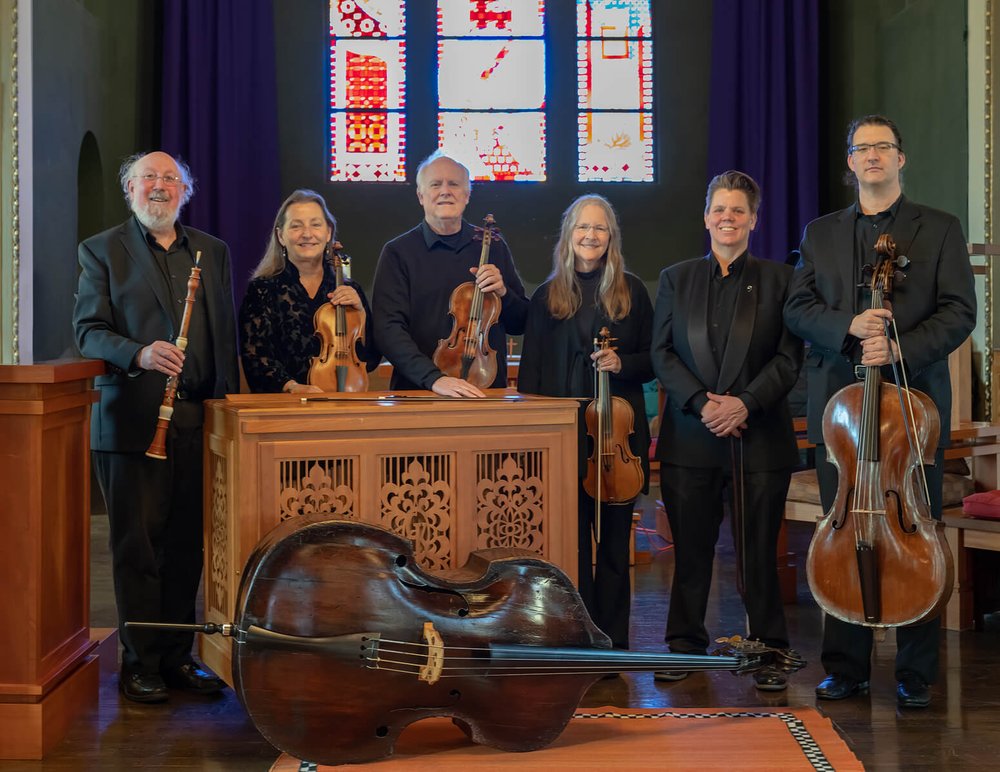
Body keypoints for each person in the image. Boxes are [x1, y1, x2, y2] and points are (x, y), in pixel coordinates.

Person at [784, 115, 976, 708]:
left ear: (901, 158)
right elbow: (798, 306)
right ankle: (845, 668)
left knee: (914, 528)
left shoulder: (939, 229)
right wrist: (847, 326)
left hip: (912, 410)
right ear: (849, 162)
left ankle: (915, 674)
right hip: (843, 411)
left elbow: (958, 311)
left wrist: (899, 346)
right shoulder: (820, 233)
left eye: (882, 147)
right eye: (861, 148)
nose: (871, 157)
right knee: (847, 526)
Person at [73, 151, 239, 703]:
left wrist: (224, 414)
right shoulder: (102, 250)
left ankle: (176, 656)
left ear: (185, 191)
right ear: (130, 189)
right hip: (133, 425)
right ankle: (139, 661)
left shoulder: (212, 252)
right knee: (137, 548)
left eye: (171, 178)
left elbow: (224, 339)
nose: (160, 187)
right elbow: (88, 332)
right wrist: (139, 353)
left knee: (186, 547)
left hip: (196, 421)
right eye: (149, 178)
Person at [651, 171, 803, 690]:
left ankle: (769, 650)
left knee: (758, 552)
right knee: (690, 551)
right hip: (690, 438)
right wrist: (702, 404)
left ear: (753, 220)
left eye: (738, 210)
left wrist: (744, 403)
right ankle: (683, 645)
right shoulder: (677, 277)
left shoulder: (784, 280)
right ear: (706, 218)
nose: (728, 218)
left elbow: (789, 358)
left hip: (759, 437)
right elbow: (662, 353)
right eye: (720, 209)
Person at [518, 194, 653, 652]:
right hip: (564, 442)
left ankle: (613, 645)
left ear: (610, 237)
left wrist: (623, 362)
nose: (590, 236)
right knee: (570, 549)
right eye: (582, 228)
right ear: (568, 236)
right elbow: (531, 376)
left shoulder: (632, 291)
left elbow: (654, 359)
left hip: (616, 444)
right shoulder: (545, 296)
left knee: (615, 551)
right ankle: (573, 640)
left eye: (599, 228)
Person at [371, 151, 529, 397]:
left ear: (466, 195)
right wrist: (433, 378)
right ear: (421, 196)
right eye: (436, 184)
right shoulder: (397, 252)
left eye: (454, 184)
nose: (445, 191)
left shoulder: (493, 245)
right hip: (419, 392)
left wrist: (503, 293)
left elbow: (520, 322)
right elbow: (388, 329)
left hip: (485, 389)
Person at [239, 189, 379, 393]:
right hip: (285, 409)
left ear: (328, 232)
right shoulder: (262, 290)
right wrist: (293, 388)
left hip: (345, 402)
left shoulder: (349, 289)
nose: (307, 234)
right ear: (281, 236)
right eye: (296, 226)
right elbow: (256, 360)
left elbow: (371, 360)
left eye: (316, 225)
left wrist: (361, 314)